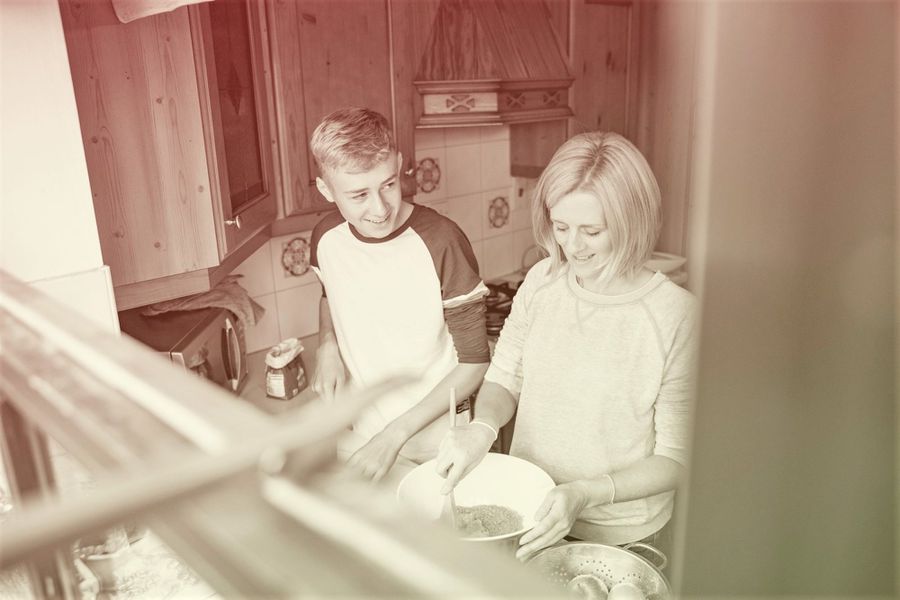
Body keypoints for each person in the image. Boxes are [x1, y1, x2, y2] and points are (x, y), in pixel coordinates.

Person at [435, 131, 696, 561]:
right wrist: (482, 431)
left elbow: (676, 459)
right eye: (561, 227)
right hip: (528, 515)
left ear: (633, 222)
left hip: (623, 537)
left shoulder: (676, 316)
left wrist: (585, 494)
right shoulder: (542, 281)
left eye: (592, 231)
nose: (571, 246)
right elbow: (504, 377)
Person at [308, 107, 490, 486]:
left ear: (400, 164)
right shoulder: (325, 239)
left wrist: (393, 436)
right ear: (325, 189)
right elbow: (331, 294)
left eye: (388, 184)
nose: (380, 208)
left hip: (439, 446)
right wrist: (327, 345)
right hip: (363, 436)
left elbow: (474, 363)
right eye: (358, 194)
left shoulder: (442, 241)